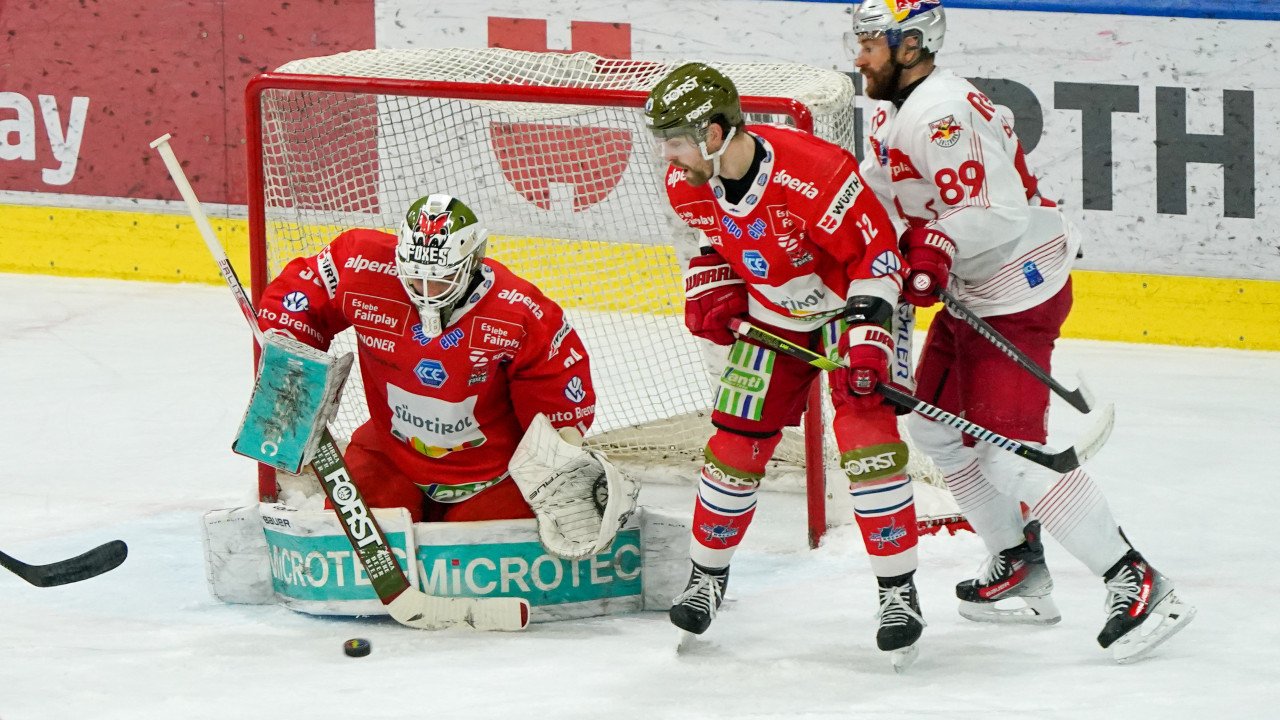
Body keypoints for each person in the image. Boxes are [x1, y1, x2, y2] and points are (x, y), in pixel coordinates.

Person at [848, 0, 1195, 662]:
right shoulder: (899, 108)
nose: (859, 55)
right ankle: (1017, 563)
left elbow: (995, 212)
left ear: (913, 44)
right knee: (933, 427)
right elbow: (883, 194)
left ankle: (1137, 579)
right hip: (971, 289)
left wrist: (933, 247)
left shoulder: (941, 113)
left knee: (1009, 454)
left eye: (872, 43)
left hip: (1016, 288)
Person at [646, 62, 925, 667]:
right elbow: (712, 244)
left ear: (715, 133)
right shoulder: (685, 182)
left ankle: (898, 592)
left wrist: (868, 343)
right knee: (734, 444)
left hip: (853, 309)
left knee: (866, 439)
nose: (668, 155)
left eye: (676, 139)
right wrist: (712, 286)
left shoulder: (819, 173)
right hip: (774, 315)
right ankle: (706, 577)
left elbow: (877, 260)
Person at [255, 193, 605, 530]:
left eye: (440, 279)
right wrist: (291, 363)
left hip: (494, 474)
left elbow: (557, 399)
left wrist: (562, 463)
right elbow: (296, 296)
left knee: (476, 555)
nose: (425, 289)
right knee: (341, 533)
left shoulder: (519, 311)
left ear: (473, 263)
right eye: (415, 276)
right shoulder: (360, 265)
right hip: (392, 452)